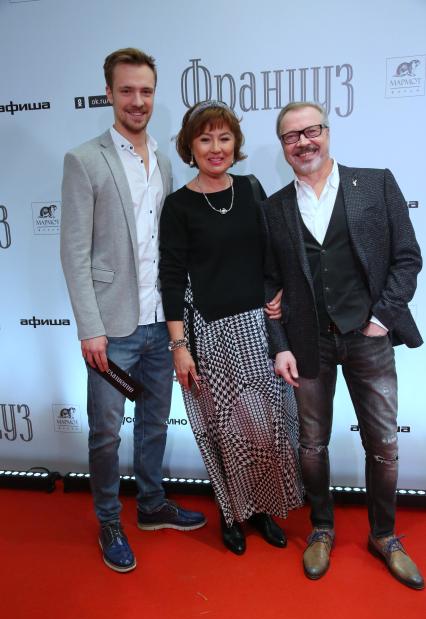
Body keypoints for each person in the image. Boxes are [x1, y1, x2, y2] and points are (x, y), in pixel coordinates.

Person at [262, 100, 424, 589]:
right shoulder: (274, 208)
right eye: (291, 136)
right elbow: (269, 282)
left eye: (311, 131)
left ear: (327, 133)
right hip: (308, 343)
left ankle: (384, 535)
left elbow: (407, 258)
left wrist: (381, 318)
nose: (303, 142)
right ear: (283, 147)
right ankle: (322, 528)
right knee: (312, 445)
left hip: (369, 338)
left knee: (385, 444)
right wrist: (280, 345)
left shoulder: (375, 184)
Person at [60, 48, 206, 573]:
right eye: (127, 90)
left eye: (145, 91)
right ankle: (108, 520)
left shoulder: (163, 161)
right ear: (109, 94)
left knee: (153, 422)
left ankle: (150, 504)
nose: (137, 101)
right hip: (112, 330)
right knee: (106, 432)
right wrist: (90, 328)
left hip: (159, 324)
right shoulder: (84, 159)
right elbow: (74, 252)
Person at [159, 100, 303, 555]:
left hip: (258, 328)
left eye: (224, 138)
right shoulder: (178, 206)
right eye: (205, 139)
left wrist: (278, 292)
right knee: (223, 430)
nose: (216, 148)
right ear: (190, 146)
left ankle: (263, 508)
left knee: (265, 427)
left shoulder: (252, 188)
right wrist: (179, 346)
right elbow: (171, 277)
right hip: (209, 333)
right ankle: (231, 513)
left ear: (235, 144)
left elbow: (273, 252)